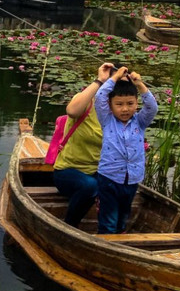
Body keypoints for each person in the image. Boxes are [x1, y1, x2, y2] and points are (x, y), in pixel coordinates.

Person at [94, 66, 158, 234]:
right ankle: (105, 241)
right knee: (109, 217)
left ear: (136, 103)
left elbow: (152, 107)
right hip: (109, 177)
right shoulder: (107, 120)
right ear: (110, 105)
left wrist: (140, 85)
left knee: (124, 214)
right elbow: (100, 96)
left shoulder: (140, 122)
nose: (124, 109)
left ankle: (120, 236)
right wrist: (114, 78)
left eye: (130, 104)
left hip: (132, 178)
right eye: (119, 104)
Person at [53, 62, 113, 226]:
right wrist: (100, 80)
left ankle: (111, 229)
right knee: (90, 186)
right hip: (67, 171)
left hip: (97, 172)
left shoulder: (118, 111)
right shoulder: (87, 103)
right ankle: (69, 226)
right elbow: (72, 111)